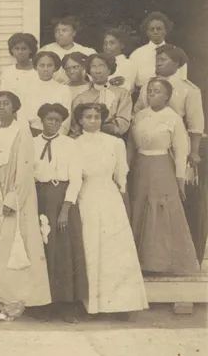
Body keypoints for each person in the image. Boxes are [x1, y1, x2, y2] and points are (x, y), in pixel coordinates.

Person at [0, 91, 50, 322]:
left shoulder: (22, 131)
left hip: (15, 198)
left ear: (14, 107)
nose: (1, 108)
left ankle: (14, 305)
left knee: (11, 250)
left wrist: (12, 198)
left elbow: (24, 169)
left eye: (6, 104)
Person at [72, 102, 148, 316]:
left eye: (97, 117)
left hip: (109, 196)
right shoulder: (74, 144)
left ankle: (119, 304)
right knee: (90, 246)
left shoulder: (115, 143)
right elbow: (74, 175)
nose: (93, 121)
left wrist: (121, 192)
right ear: (80, 120)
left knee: (114, 249)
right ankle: (90, 304)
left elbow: (121, 173)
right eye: (88, 117)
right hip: (86, 196)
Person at [133, 44, 206, 261]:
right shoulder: (147, 85)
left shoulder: (188, 89)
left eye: (163, 60)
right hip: (149, 147)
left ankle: (178, 254)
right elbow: (138, 112)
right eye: (156, 60)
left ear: (177, 63)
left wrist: (193, 153)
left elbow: (195, 125)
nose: (158, 63)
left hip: (175, 148)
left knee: (176, 201)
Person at [128, 78, 199, 275]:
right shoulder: (139, 116)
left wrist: (180, 182)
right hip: (140, 168)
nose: (151, 94)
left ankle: (161, 263)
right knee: (139, 207)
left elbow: (180, 152)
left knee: (160, 209)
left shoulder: (173, 118)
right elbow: (131, 146)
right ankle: (140, 263)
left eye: (157, 91)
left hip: (162, 168)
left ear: (167, 95)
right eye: (149, 91)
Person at [33, 103, 88, 323]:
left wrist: (65, 208)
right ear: (42, 120)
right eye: (49, 119)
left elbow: (76, 178)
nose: (53, 123)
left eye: (57, 120)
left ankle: (66, 305)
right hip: (38, 197)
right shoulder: (32, 143)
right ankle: (42, 304)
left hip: (61, 198)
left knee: (63, 251)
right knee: (41, 249)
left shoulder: (69, 144)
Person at [72, 53, 133, 138]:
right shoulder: (80, 98)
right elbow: (76, 126)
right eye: (93, 67)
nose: (98, 71)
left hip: (113, 139)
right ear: (89, 71)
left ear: (109, 70)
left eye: (102, 66)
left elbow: (123, 122)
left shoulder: (122, 94)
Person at [130, 12, 186, 89]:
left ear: (166, 30)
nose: (155, 32)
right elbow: (131, 83)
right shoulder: (136, 55)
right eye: (152, 29)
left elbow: (183, 80)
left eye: (159, 29)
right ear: (147, 32)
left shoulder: (176, 52)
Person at [22, 51, 70, 134]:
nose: (45, 69)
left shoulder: (64, 89)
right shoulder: (27, 88)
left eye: (49, 65)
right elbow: (22, 116)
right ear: (36, 67)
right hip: (32, 133)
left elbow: (66, 119)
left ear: (55, 68)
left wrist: (59, 137)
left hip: (56, 133)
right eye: (42, 65)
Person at [41, 17, 96, 85]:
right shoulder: (46, 50)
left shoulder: (87, 52)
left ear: (73, 33)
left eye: (64, 30)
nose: (60, 33)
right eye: (57, 31)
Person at [0, 33, 39, 101]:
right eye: (17, 48)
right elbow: (4, 96)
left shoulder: (38, 70)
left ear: (30, 50)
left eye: (24, 49)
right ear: (12, 50)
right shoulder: (7, 72)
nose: (20, 52)